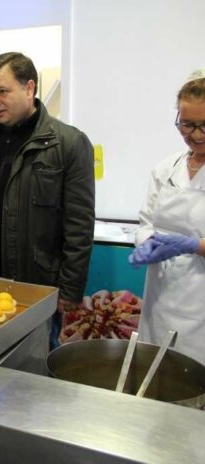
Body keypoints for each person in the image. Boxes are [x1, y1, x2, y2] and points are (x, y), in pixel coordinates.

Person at [0, 52, 95, 347]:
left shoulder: (69, 144)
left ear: (29, 88)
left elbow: (79, 227)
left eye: (2, 91)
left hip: (31, 286)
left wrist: (70, 289)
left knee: (30, 361)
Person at [128, 70, 205, 365]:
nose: (195, 135)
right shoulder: (166, 168)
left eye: (204, 125)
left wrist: (193, 245)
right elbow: (147, 221)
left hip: (200, 303)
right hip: (161, 296)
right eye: (186, 124)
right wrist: (146, 244)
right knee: (155, 371)